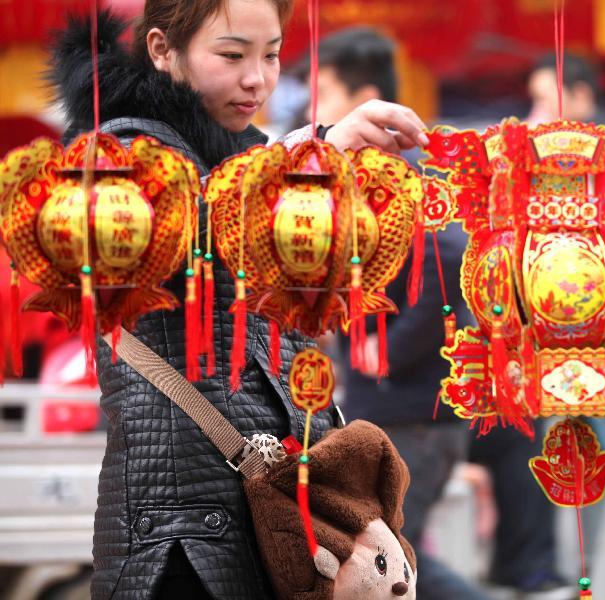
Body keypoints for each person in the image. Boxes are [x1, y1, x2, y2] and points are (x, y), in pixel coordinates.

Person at [50, 2, 429, 598]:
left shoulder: (240, 156)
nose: (257, 78)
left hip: (261, 516)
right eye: (231, 55)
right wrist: (313, 153)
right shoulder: (115, 148)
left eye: (272, 54)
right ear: (161, 50)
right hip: (180, 541)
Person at [296, 26, 494, 600]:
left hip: (416, 415)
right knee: (386, 560)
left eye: (325, 94)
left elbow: (451, 259)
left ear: (368, 96)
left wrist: (384, 350)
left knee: (384, 562)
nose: (317, 112)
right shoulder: (346, 182)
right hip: (391, 408)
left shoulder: (406, 179)